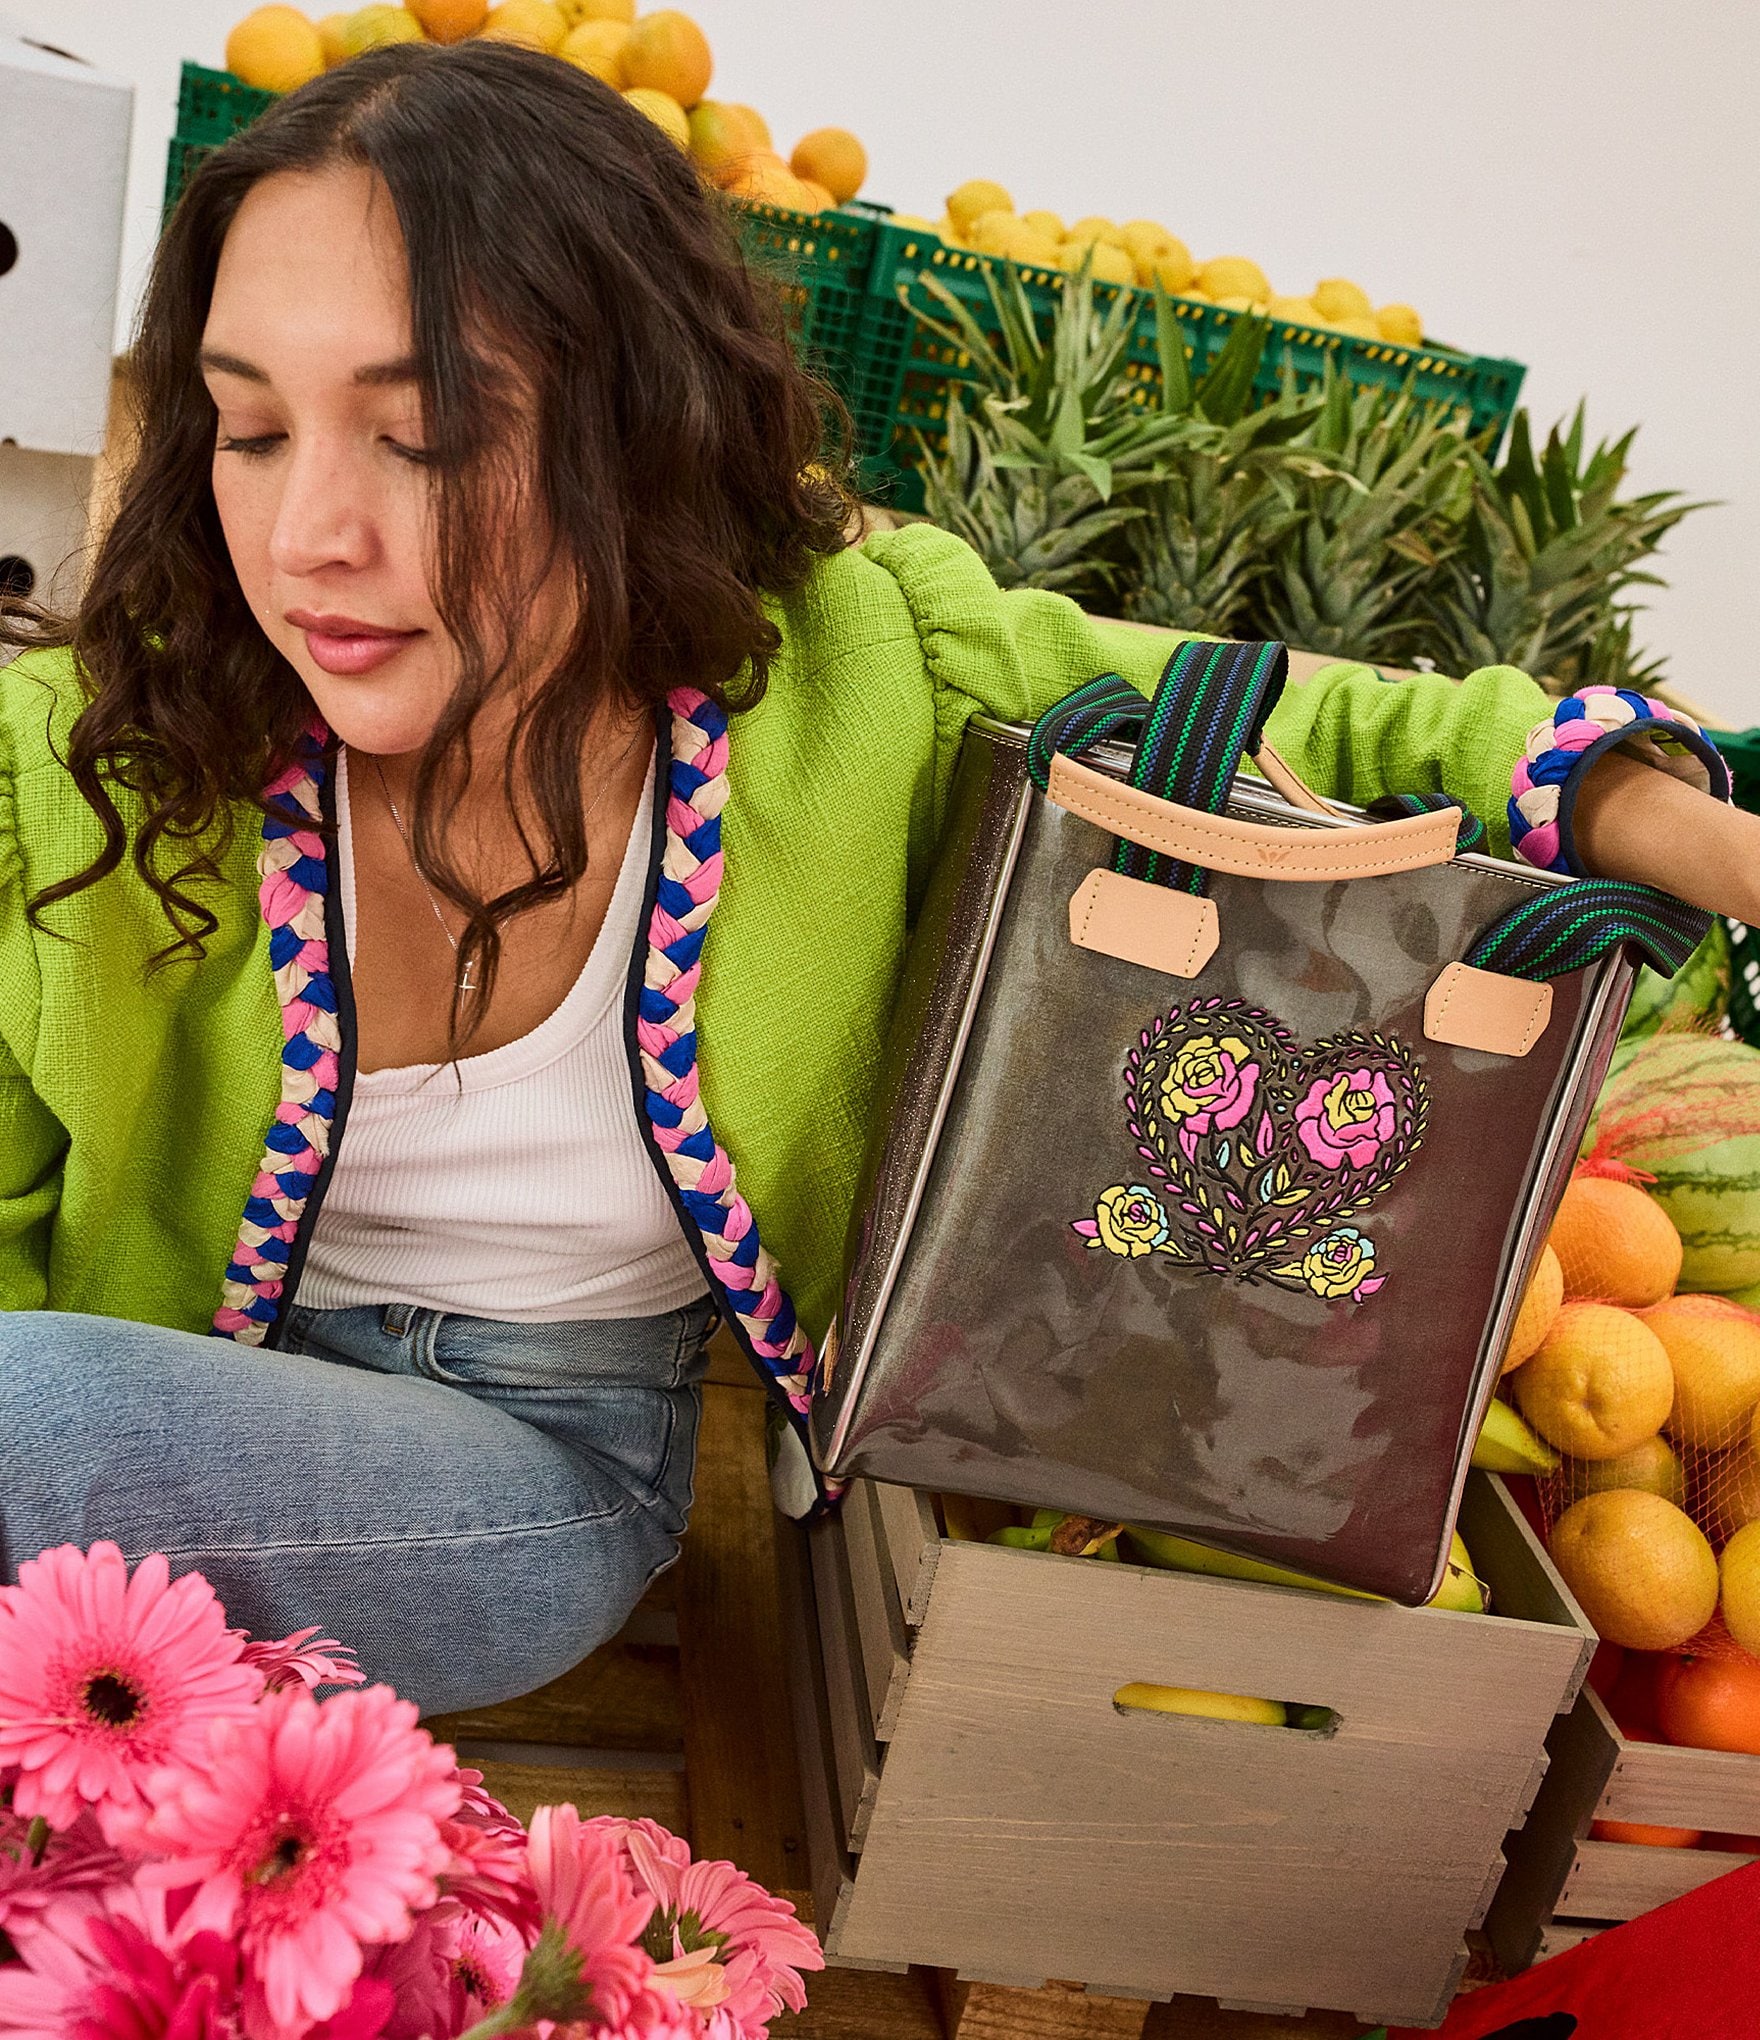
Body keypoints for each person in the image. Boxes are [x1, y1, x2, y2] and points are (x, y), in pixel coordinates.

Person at [1, 41, 1754, 1716]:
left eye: (426, 436)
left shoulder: (861, 665)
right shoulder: (90, 758)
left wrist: (1698, 835)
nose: (311, 532)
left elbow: (1327, 718)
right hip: (153, 1400)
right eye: (250, 431)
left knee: (38, 1421)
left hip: (532, 1465)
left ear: (631, 423)